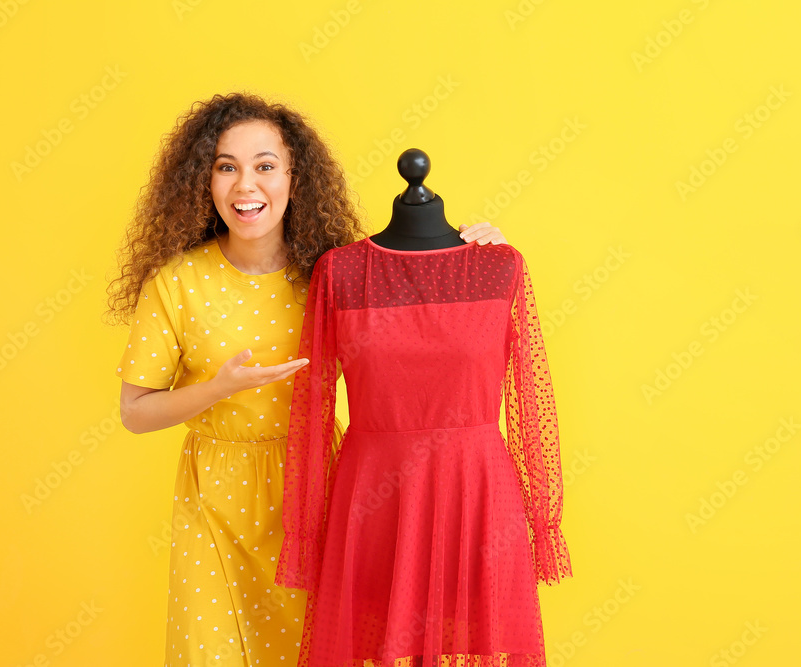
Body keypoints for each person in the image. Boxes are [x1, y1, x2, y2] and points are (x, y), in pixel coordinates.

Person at [105, 92, 508, 667]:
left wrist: (465, 250)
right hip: (215, 503)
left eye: (266, 166)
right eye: (227, 167)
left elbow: (429, 329)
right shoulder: (176, 283)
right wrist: (218, 388)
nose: (247, 186)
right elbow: (135, 412)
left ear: (296, 177)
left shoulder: (338, 271)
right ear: (203, 180)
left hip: (322, 497)